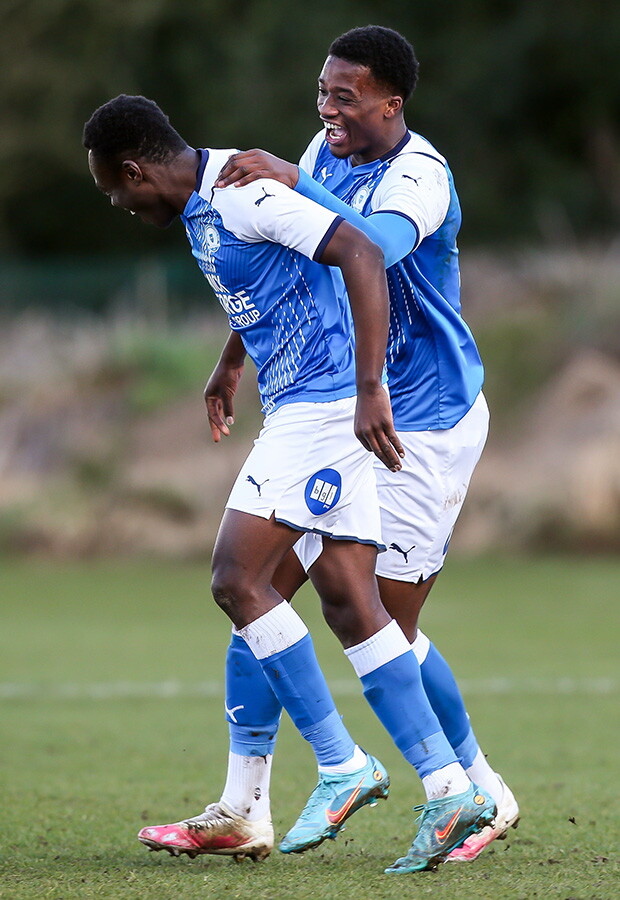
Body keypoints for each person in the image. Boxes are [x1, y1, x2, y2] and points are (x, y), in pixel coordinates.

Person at [83, 93, 496, 875]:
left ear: (136, 171)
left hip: (321, 409)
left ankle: (342, 766)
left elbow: (363, 256)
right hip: (305, 403)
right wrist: (230, 359)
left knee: (238, 580)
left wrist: (371, 387)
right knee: (351, 601)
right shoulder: (212, 200)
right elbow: (276, 285)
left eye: (115, 191)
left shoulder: (249, 191)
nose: (120, 207)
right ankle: (449, 790)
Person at [208, 24, 520, 869]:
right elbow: (299, 259)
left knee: (385, 622)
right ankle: (244, 804)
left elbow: (372, 249)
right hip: (347, 408)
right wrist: (235, 355)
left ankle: (479, 791)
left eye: (345, 97)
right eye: (322, 91)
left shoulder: (421, 174)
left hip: (422, 422)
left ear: (393, 102)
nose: (327, 108)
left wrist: (298, 178)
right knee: (264, 587)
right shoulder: (324, 149)